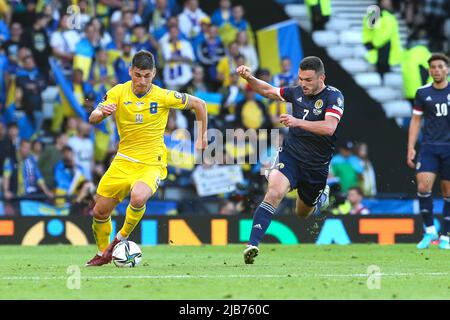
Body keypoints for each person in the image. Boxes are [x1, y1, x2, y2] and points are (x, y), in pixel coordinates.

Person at [85, 50, 208, 266]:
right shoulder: (118, 92)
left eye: (147, 76)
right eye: (138, 75)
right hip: (123, 160)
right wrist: (102, 114)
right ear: (130, 71)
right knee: (100, 211)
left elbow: (200, 105)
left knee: (138, 197)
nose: (142, 81)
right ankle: (102, 252)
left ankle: (116, 243)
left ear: (154, 74)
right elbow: (92, 116)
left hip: (152, 162)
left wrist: (202, 136)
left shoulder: (163, 96)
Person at [237, 56, 344, 264]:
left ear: (322, 78)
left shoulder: (334, 97)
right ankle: (252, 244)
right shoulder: (296, 92)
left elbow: (329, 128)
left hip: (316, 166)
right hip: (291, 155)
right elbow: (269, 91)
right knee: (274, 192)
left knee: (302, 213)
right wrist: (249, 78)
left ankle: (321, 196)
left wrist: (296, 122)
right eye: (301, 79)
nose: (303, 84)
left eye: (309, 80)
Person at [407, 53, 450, 250]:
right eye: (433, 67)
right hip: (429, 147)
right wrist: (410, 147)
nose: (437, 70)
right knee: (423, 187)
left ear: (447, 69)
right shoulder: (422, 92)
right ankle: (430, 230)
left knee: (448, 192)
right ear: (430, 70)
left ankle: (447, 236)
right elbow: (416, 121)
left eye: (440, 66)